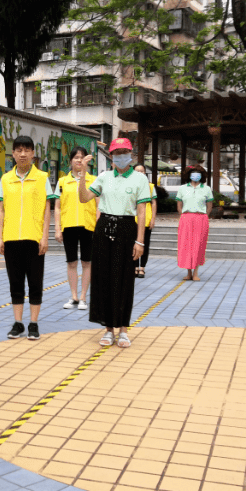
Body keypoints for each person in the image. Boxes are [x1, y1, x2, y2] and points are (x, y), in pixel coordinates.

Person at [79, 137, 149, 348]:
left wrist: (140, 242)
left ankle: (124, 330)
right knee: (103, 279)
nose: (120, 157)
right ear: (110, 156)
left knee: (125, 279)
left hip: (127, 229)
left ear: (131, 155)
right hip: (104, 228)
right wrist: (82, 173)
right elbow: (84, 198)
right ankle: (108, 329)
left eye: (124, 153)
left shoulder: (139, 179)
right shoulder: (103, 177)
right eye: (116, 153)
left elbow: (142, 211)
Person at [0, 134, 56, 340]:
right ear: (12, 154)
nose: (22, 154)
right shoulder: (5, 179)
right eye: (18, 150)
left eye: (26, 150)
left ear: (32, 154)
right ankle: (18, 323)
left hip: (34, 237)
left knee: (35, 281)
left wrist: (45, 237)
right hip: (11, 237)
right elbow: (1, 210)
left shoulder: (42, 178)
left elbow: (47, 209)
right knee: (15, 282)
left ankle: (33, 323)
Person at [54, 147, 98, 310]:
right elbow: (57, 207)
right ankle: (73, 297)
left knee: (87, 262)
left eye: (82, 157)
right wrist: (58, 228)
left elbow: (99, 205)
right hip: (69, 226)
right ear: (70, 161)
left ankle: (83, 297)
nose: (79, 160)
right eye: (76, 157)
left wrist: (98, 225)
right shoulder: (62, 182)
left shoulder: (93, 180)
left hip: (89, 225)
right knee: (71, 262)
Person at [176, 165, 213, 281]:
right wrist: (182, 215)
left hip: (200, 218)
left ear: (202, 176)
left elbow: (209, 205)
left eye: (198, 173)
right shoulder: (182, 188)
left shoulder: (206, 189)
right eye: (193, 173)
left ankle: (196, 273)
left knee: (198, 245)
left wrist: (205, 216)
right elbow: (179, 204)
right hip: (186, 217)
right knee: (186, 245)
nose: (195, 175)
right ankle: (188, 273)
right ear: (189, 175)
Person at [133, 164, 157, 278]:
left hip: (146, 219)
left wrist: (153, 219)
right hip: (132, 219)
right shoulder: (130, 185)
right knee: (132, 244)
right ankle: (134, 267)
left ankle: (141, 267)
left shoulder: (150, 186)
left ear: (145, 173)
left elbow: (154, 203)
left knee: (144, 244)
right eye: (137, 171)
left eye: (142, 171)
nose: (139, 173)